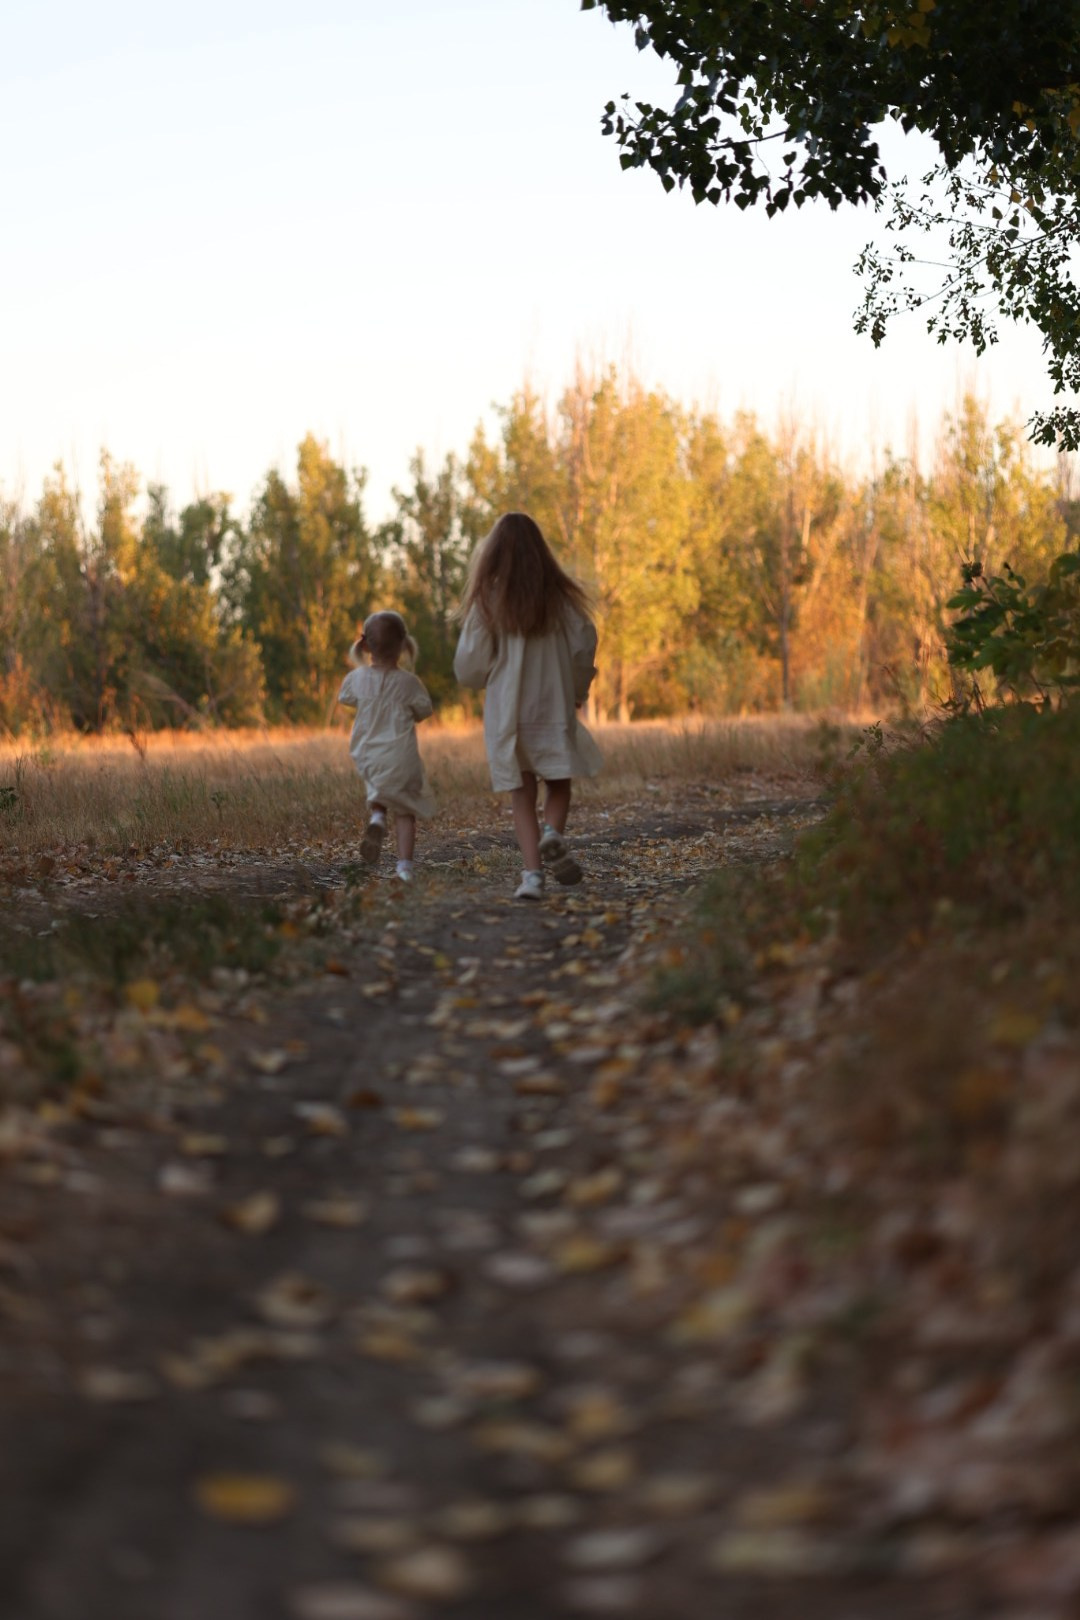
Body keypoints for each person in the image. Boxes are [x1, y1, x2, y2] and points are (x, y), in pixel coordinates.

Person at [454, 511, 600, 900]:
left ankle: (532, 876)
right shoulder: (560, 597)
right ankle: (553, 833)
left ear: (494, 553)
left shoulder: (489, 599)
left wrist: (484, 676)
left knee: (522, 793)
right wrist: (578, 689)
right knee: (559, 783)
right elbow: (585, 644)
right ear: (541, 551)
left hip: (509, 713)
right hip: (553, 705)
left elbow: (469, 664)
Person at [337, 611, 434, 883]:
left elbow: (344, 697)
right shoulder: (409, 683)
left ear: (365, 646)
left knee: (378, 786)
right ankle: (404, 867)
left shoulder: (357, 679)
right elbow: (425, 710)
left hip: (368, 752)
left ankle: (378, 817)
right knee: (405, 811)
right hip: (401, 754)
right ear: (403, 646)